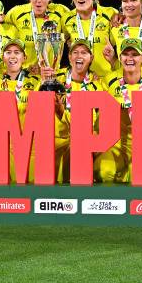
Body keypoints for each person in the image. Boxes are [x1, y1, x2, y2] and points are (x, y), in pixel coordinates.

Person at [95, 38, 142, 183]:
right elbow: (99, 115)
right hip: (117, 144)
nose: (129, 58)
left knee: (140, 175)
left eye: (134, 54)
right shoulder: (109, 80)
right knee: (104, 171)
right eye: (125, 54)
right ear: (120, 57)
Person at [40, 38, 102, 183]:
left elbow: (90, 124)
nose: (79, 56)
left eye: (84, 52)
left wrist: (62, 112)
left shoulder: (97, 86)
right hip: (53, 139)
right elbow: (38, 107)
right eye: (75, 52)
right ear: (69, 57)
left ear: (91, 58)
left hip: (79, 142)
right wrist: (43, 84)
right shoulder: (54, 77)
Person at [0, 39, 41, 183]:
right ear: (3, 57)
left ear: (24, 58)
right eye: (8, 52)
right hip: (4, 147)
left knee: (31, 187)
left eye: (17, 53)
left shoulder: (36, 82)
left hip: (31, 146)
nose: (12, 56)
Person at [3, 0, 70, 72]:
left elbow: (76, 29)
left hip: (51, 76)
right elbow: (1, 34)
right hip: (24, 75)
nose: (39, 0)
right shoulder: (16, 13)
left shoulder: (61, 12)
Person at [61, 0, 118, 77]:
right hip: (79, 81)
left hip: (105, 79)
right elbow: (59, 45)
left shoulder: (110, 14)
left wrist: (122, 15)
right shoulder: (66, 18)